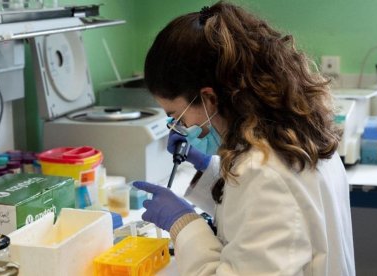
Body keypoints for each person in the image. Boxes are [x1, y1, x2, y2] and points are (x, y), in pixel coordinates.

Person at [133, 1, 355, 275]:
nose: (179, 128)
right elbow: (259, 215)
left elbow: (262, 200)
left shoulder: (263, 172)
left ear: (209, 98)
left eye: (177, 116)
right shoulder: (294, 133)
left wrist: (183, 223)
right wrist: (208, 172)